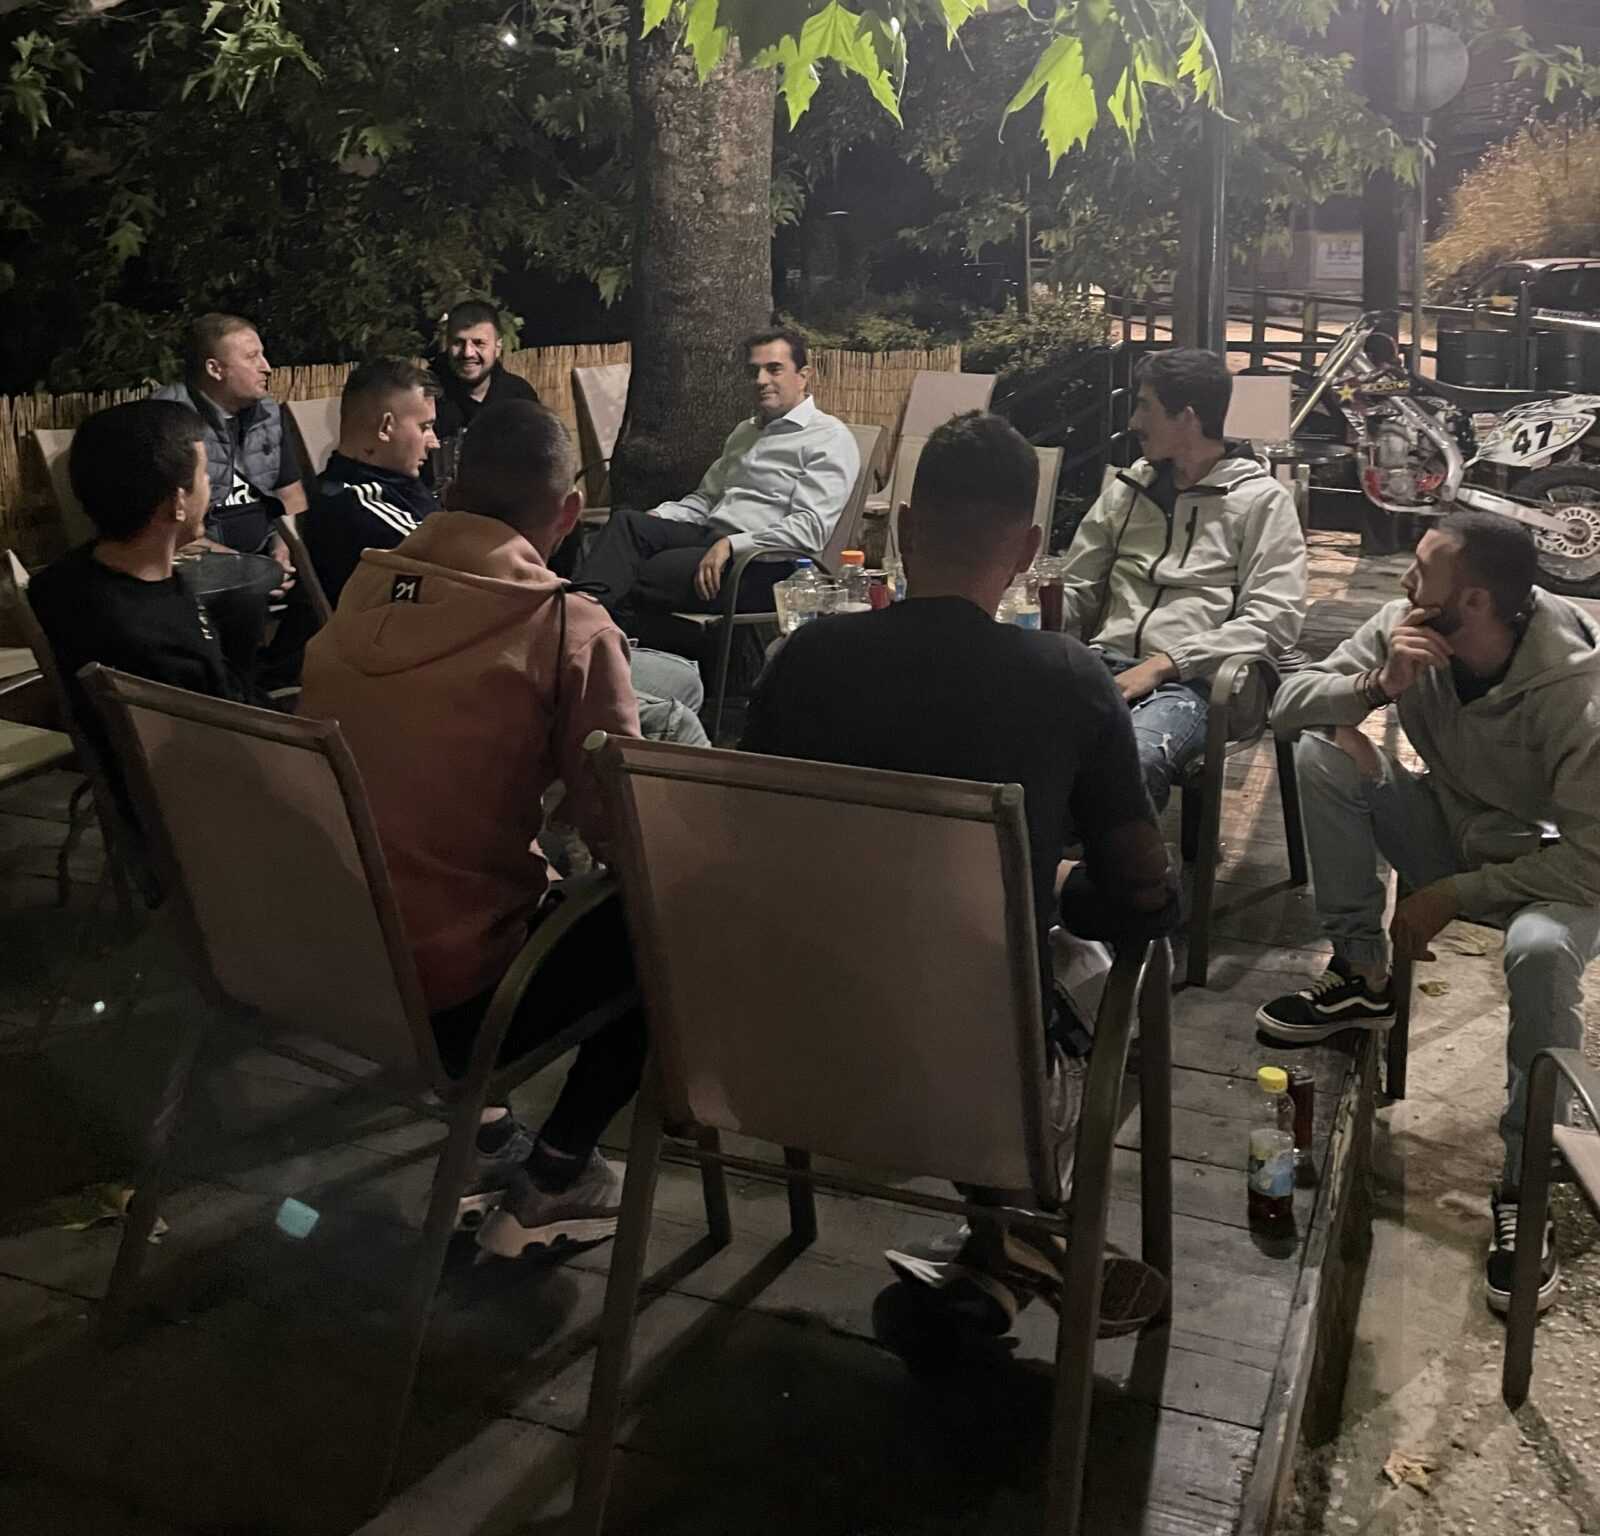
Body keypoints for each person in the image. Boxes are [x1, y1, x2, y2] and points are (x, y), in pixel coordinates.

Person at [742, 411, 1178, 1333]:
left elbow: (748, 837)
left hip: (781, 1059)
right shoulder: (1067, 679)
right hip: (975, 1090)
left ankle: (995, 1258)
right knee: (1112, 972)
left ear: (902, 530)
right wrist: (1063, 890)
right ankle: (1025, 1223)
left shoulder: (804, 659)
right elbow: (1146, 895)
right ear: (1028, 549)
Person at [299, 400, 651, 1254]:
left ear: (452, 492)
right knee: (659, 925)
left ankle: (491, 1137)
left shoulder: (365, 587)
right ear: (568, 513)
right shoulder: (565, 626)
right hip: (452, 1001)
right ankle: (558, 1176)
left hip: (319, 960)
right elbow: (631, 839)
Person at [1256, 512, 1600, 1316]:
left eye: (1421, 572)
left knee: (1539, 953)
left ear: (1473, 601)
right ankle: (1360, 977)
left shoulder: (1575, 693)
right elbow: (1287, 707)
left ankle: (1525, 1185)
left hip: (1554, 870)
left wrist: (1452, 895)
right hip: (1451, 830)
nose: (1405, 584)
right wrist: (1375, 687)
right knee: (1323, 751)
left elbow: (1593, 860)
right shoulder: (1407, 629)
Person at [1056, 348, 1307, 811]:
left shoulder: (1261, 501)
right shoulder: (1128, 489)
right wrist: (1023, 615)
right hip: (1100, 666)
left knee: (1131, 761)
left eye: (1144, 406)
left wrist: (1166, 663)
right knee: (1008, 731)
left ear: (1186, 417)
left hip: (1196, 685)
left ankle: (1106, 860)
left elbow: (1275, 619)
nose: (1133, 421)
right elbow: (1078, 588)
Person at [27, 401, 269, 830]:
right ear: (177, 502)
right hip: (208, 819)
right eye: (203, 476)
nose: (210, 487)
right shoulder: (154, 643)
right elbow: (230, 753)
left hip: (156, 793)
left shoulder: (60, 582)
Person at [574, 328, 860, 628]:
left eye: (774, 369)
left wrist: (731, 545)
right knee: (626, 525)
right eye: (754, 371)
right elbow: (706, 500)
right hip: (711, 540)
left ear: (803, 376)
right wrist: (657, 519)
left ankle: (578, 630)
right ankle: (584, 626)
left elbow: (809, 529)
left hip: (766, 565)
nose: (761, 380)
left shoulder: (828, 437)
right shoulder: (745, 432)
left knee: (632, 572)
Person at [152, 313, 306, 566]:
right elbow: (162, 525)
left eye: (262, 355)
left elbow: (290, 495)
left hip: (266, 555)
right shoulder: (168, 419)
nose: (266, 367)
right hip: (200, 563)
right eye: (251, 357)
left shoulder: (267, 414)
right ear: (215, 369)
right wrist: (247, 567)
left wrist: (283, 550)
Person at [302, 358, 442, 605]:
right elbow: (451, 560)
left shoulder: (396, 482)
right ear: (386, 428)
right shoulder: (350, 503)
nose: (434, 442)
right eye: (425, 427)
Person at [429, 299, 540, 445]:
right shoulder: (427, 395)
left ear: (498, 347)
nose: (468, 353)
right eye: (458, 343)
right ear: (448, 344)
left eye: (479, 343)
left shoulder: (520, 398)